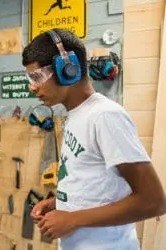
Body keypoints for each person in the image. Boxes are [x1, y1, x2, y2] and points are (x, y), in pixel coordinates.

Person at [23, 28, 166, 250]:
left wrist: (72, 219)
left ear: (67, 69)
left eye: (37, 76)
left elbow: (153, 201)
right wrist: (61, 203)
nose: (32, 87)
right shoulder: (76, 115)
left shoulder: (105, 116)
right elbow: (95, 183)